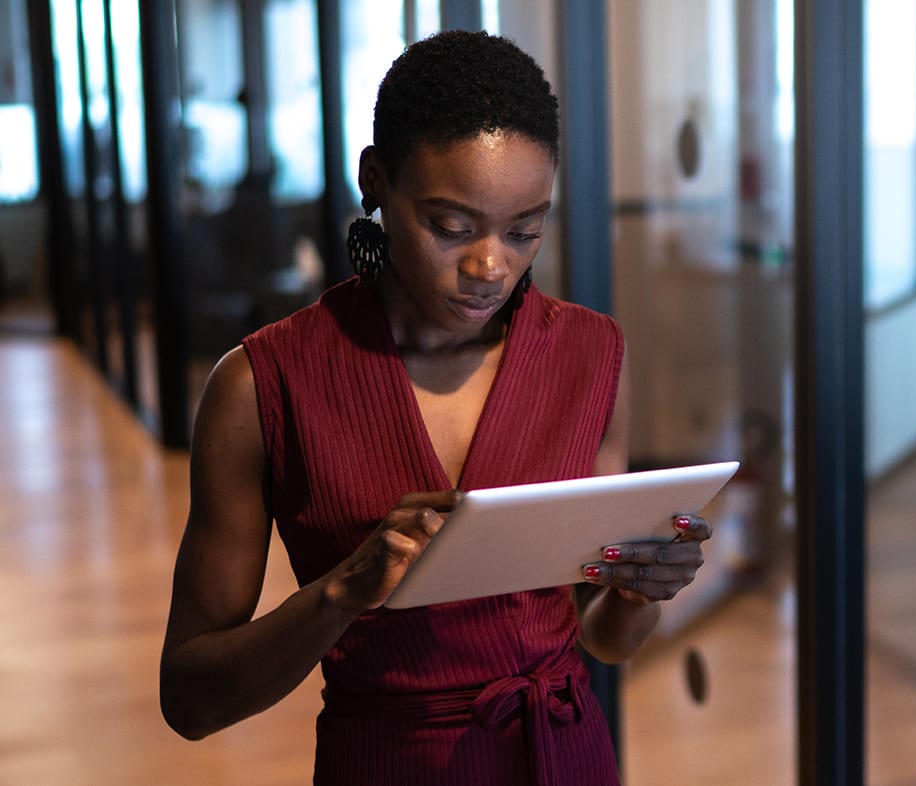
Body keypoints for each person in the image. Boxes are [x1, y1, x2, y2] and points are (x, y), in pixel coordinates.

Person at [159, 30, 710, 785]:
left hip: (566, 752)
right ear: (375, 181)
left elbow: (603, 638)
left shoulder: (590, 355)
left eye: (525, 231)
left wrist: (639, 594)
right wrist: (342, 594)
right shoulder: (261, 385)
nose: (491, 266)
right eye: (451, 226)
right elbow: (190, 699)